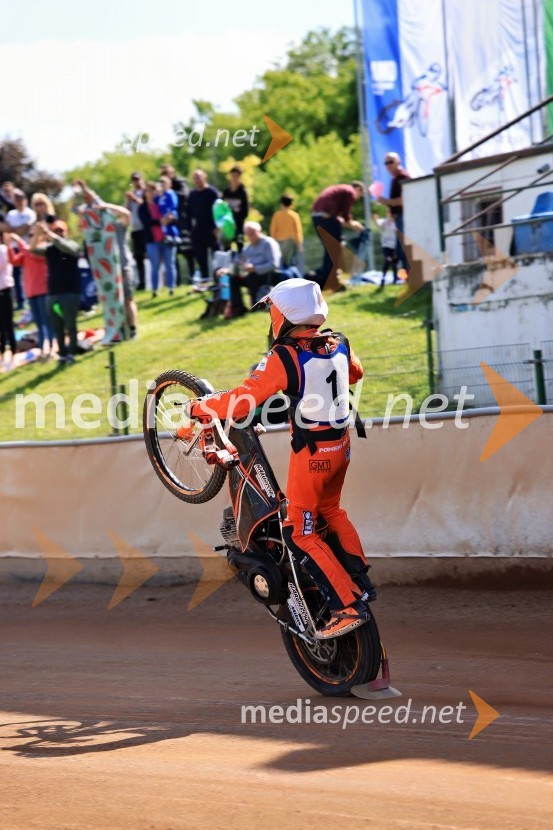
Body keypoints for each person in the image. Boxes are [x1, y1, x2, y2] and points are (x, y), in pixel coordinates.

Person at [187, 278, 376, 639]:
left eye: (272, 310)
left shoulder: (284, 355)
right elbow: (356, 373)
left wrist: (203, 405)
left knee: (298, 532)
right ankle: (359, 582)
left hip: (312, 455)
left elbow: (243, 399)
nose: (270, 317)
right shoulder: (339, 342)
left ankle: (346, 608)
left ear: (284, 313)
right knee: (332, 512)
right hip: (342, 447)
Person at [75, 180, 128, 344]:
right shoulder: (88, 216)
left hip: (114, 263)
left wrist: (105, 206)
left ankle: (120, 330)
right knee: (105, 298)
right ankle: (112, 329)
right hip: (99, 266)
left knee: (116, 296)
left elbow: (124, 213)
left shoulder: (108, 215)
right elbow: (80, 224)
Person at [31, 220, 81, 366]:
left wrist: (49, 234)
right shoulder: (50, 249)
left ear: (66, 232)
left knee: (70, 325)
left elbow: (65, 247)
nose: (58, 233)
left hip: (70, 292)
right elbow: (32, 249)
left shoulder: (72, 245)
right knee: (57, 327)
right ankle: (63, 355)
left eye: (61, 230)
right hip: (53, 294)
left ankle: (72, 352)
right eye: (56, 230)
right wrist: (38, 234)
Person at [8, 226, 54, 358]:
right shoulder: (27, 251)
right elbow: (14, 261)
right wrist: (9, 246)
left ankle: (51, 347)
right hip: (31, 292)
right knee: (39, 323)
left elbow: (31, 252)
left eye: (34, 235)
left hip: (42, 290)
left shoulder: (42, 249)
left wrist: (18, 241)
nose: (31, 238)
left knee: (46, 321)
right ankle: (42, 349)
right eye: (30, 235)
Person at [311, 181, 364, 290]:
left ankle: (326, 281)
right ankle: (332, 283)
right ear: (358, 188)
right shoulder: (350, 192)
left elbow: (337, 218)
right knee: (334, 250)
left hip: (317, 217)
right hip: (326, 217)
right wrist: (352, 223)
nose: (357, 198)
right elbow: (345, 214)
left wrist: (350, 223)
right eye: (360, 194)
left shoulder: (340, 190)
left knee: (330, 250)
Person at [377, 152, 410, 274]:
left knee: (402, 249)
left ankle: (409, 275)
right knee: (399, 249)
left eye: (391, 162)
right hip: (398, 217)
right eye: (386, 163)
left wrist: (387, 201)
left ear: (398, 162)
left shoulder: (402, 177)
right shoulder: (396, 178)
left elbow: (404, 199)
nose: (388, 165)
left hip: (403, 217)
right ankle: (406, 276)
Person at [6, 189, 36, 309]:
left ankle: (31, 298)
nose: (18, 201)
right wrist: (14, 230)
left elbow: (23, 230)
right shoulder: (11, 214)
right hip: (15, 248)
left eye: (20, 198)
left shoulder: (30, 213)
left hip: (27, 247)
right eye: (16, 199)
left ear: (25, 200)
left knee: (29, 274)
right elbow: (5, 229)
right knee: (16, 275)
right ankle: (21, 302)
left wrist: (13, 230)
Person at [238, 221, 281, 305]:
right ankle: (236, 306)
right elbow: (241, 260)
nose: (250, 237)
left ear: (259, 231)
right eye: (248, 234)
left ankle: (256, 305)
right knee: (233, 279)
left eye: (252, 233)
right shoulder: (248, 247)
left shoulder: (268, 243)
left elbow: (274, 264)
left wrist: (255, 269)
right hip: (251, 274)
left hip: (268, 274)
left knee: (252, 277)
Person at [186, 169, 219, 281]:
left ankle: (218, 280)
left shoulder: (212, 192)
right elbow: (188, 213)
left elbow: (220, 211)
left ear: (205, 177)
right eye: (195, 177)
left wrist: (217, 228)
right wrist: (189, 229)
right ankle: (205, 280)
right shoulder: (192, 194)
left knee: (216, 255)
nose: (197, 179)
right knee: (201, 257)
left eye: (199, 177)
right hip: (198, 230)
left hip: (212, 229)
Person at [138, 181, 165, 297]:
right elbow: (146, 222)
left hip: (164, 238)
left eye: (153, 190)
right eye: (149, 190)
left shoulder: (161, 203)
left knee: (169, 264)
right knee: (155, 266)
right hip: (151, 239)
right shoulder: (143, 208)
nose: (152, 193)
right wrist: (160, 221)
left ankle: (170, 287)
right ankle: (155, 289)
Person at [155, 175, 179, 294]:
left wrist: (166, 219)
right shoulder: (159, 196)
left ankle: (171, 287)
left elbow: (172, 210)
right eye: (161, 183)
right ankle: (159, 287)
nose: (162, 185)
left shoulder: (170, 194)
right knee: (159, 264)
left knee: (170, 262)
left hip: (169, 232)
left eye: (164, 183)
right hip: (160, 233)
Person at [124, 172, 146, 291]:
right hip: (135, 229)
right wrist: (128, 200)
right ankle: (142, 282)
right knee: (138, 257)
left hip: (145, 228)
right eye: (134, 180)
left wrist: (135, 199)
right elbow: (126, 211)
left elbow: (146, 206)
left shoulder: (146, 192)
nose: (136, 182)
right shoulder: (132, 195)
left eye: (138, 179)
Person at [270, 195, 303, 268]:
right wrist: (299, 245)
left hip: (278, 242)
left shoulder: (277, 215)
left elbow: (273, 230)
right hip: (290, 242)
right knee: (289, 264)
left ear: (281, 203)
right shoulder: (294, 215)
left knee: (279, 262)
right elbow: (298, 231)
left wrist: (273, 242)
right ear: (291, 204)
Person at [222, 165, 248, 250]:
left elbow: (245, 210)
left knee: (240, 245)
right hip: (227, 224)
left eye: (236, 176)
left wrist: (238, 221)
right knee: (226, 247)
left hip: (238, 224)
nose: (234, 178)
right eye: (232, 175)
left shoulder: (242, 191)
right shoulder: (226, 191)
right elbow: (222, 206)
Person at [0, 231, 16, 367]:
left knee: (8, 324)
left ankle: (13, 354)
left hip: (5, 290)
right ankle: (2, 355)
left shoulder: (3, 250)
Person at [373, 209, 399, 289]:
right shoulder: (384, 221)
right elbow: (378, 224)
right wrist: (375, 220)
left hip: (394, 245)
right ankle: (383, 279)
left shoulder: (396, 223)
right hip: (386, 245)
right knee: (388, 260)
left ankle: (395, 279)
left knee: (394, 262)